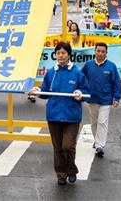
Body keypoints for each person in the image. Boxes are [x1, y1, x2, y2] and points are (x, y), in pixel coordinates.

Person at [28, 42, 88, 186]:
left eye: (63, 53)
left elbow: (85, 89)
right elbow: (45, 91)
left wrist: (81, 93)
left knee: (68, 146)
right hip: (54, 114)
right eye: (58, 53)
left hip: (72, 115)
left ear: (69, 55)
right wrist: (37, 91)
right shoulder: (51, 72)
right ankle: (61, 173)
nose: (60, 56)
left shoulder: (77, 72)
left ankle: (71, 170)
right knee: (58, 147)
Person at [81, 42, 121, 158]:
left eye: (103, 51)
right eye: (98, 51)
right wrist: (81, 91)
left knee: (102, 122)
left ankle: (100, 146)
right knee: (94, 123)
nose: (100, 53)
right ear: (95, 51)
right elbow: (80, 77)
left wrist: (117, 97)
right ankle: (97, 140)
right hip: (92, 98)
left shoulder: (111, 66)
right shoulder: (88, 65)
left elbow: (116, 83)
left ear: (106, 53)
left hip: (106, 99)